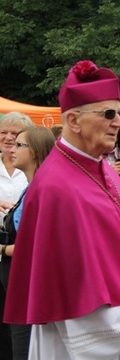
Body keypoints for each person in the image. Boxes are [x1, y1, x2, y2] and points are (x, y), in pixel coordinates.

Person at [4, 60, 120, 359]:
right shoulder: (56, 187)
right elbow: (71, 287)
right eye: (108, 114)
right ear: (73, 121)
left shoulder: (101, 168)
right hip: (94, 340)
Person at [0, 127, 55, 360]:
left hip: (28, 286)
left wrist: (1, 249)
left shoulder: (41, 189)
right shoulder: (32, 187)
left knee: (25, 349)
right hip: (20, 284)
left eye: (19, 145)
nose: (12, 148)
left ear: (35, 152)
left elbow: (34, 245)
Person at [0, 112, 33, 357]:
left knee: (20, 323)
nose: (9, 138)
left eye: (16, 134)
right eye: (4, 132)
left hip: (23, 253)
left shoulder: (32, 168)